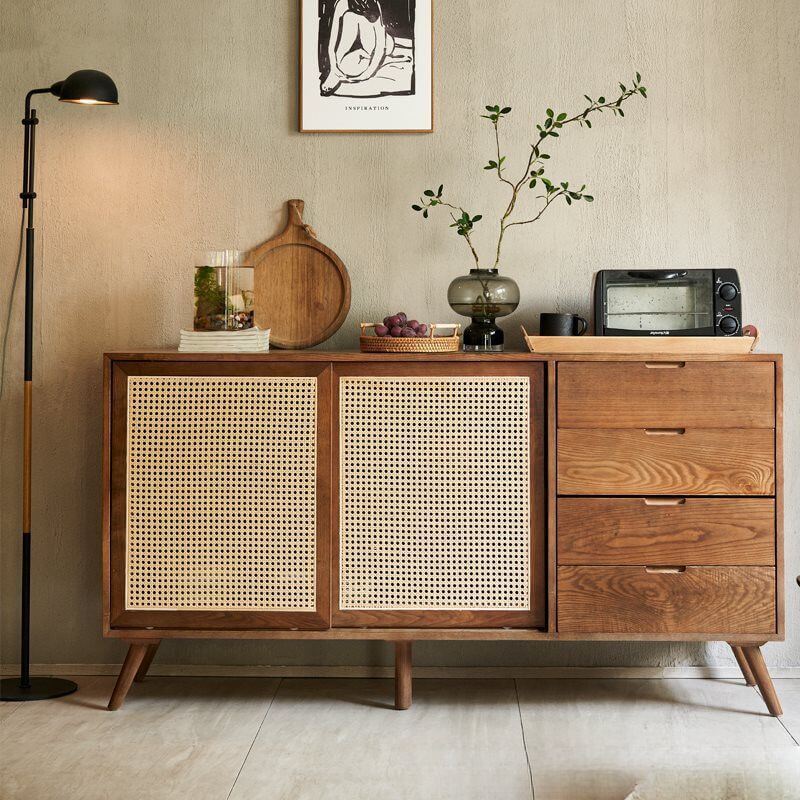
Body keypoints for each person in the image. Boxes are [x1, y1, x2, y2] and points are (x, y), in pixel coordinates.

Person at [321, 0, 413, 97]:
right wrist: (334, 68)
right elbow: (333, 39)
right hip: (356, 45)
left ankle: (387, 59)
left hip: (375, 44)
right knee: (350, 17)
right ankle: (335, 75)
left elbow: (380, 45)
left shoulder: (374, 3)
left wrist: (366, 74)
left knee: (387, 45)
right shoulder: (342, 3)